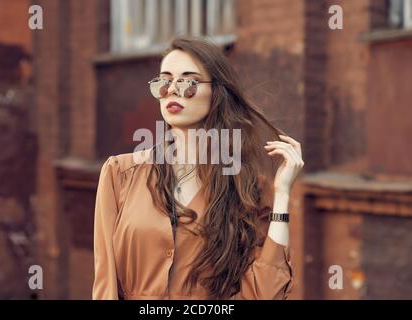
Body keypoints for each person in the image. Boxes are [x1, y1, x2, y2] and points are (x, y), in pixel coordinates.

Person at [92, 36, 304, 300]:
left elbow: (265, 293)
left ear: (217, 92)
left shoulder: (247, 188)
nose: (172, 90)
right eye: (164, 81)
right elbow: (105, 284)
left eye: (188, 82)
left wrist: (282, 195)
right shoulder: (119, 174)